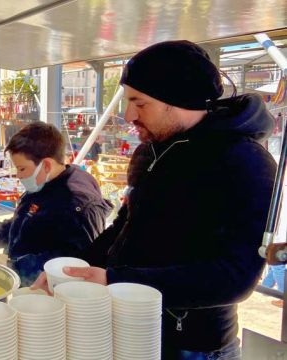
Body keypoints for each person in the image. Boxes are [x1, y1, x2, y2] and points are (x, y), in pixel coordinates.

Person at [33, 40, 278, 359]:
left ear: (176, 99)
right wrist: (76, 271)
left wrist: (113, 279)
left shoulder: (245, 163)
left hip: (192, 345)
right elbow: (125, 225)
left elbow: (235, 278)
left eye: (139, 102)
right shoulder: (151, 150)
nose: (127, 114)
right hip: (129, 325)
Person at [0, 122, 114, 285]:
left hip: (45, 293)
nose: (18, 175)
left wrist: (11, 267)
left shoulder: (78, 204)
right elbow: (23, 222)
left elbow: (75, 263)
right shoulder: (45, 181)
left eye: (22, 169)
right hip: (20, 279)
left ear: (46, 165)